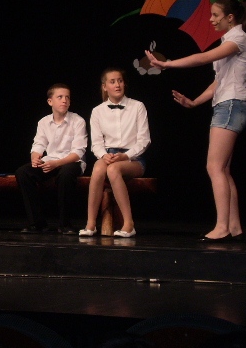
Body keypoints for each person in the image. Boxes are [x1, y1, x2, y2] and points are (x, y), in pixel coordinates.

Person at [146, 0, 246, 242]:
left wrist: (168, 64)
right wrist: (194, 102)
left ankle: (222, 227)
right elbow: (218, 82)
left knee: (214, 167)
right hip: (227, 104)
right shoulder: (229, 40)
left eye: (216, 15)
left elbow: (203, 58)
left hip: (231, 106)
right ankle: (234, 226)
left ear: (230, 17)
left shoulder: (238, 38)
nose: (211, 20)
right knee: (223, 169)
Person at [79, 68, 150, 238]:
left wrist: (126, 155)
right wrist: (104, 155)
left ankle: (129, 224)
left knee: (113, 169)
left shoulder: (137, 106)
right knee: (98, 169)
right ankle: (90, 223)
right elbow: (96, 143)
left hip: (133, 158)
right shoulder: (97, 111)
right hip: (109, 154)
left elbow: (144, 140)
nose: (117, 85)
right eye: (112, 82)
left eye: (120, 81)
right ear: (105, 87)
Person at [15, 83, 87, 234]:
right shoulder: (44, 122)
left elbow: (78, 152)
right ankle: (37, 223)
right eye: (60, 97)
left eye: (67, 97)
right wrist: (35, 158)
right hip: (51, 161)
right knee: (23, 172)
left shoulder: (78, 121)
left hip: (70, 161)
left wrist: (57, 163)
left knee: (66, 174)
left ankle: (65, 224)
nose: (64, 100)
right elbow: (38, 145)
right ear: (50, 101)